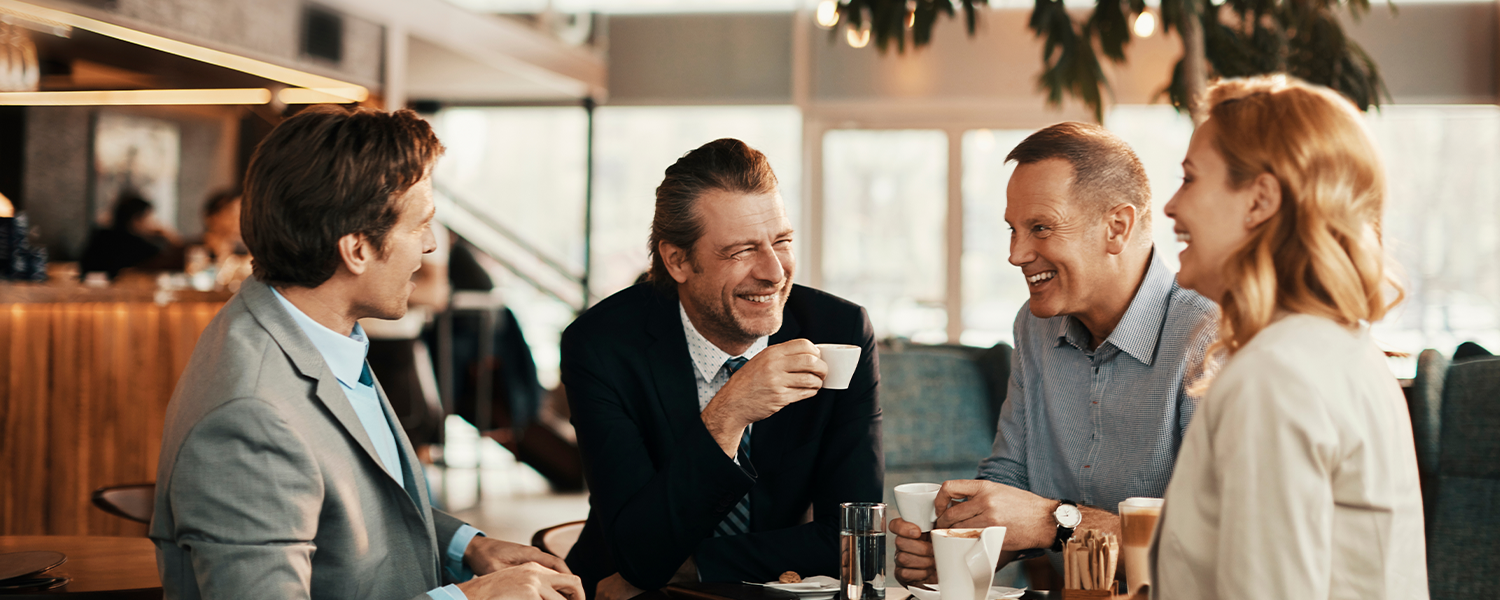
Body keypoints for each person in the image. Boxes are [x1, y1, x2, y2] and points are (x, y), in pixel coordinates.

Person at [149, 106, 584, 600]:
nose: (431, 246)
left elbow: (352, 508)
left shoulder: (312, 333)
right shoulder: (252, 415)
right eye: (420, 225)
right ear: (356, 248)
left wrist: (466, 547)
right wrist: (472, 597)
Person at [890, 122, 1218, 585]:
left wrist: (1054, 521)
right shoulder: (1034, 326)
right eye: (1013, 229)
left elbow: (1213, 545)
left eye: (1040, 227)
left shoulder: (1209, 335)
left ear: (1117, 228)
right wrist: (959, 541)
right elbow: (1011, 480)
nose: (1016, 254)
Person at [560, 138, 883, 599]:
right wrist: (728, 413)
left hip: (767, 591)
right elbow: (639, 552)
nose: (774, 271)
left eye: (782, 242)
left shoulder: (841, 329)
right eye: (741, 251)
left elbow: (854, 539)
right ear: (677, 260)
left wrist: (691, 566)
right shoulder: (601, 345)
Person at [1150, 75, 1426, 599]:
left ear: (1259, 200)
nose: (1170, 206)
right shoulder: (1343, 353)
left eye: (1188, 179)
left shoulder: (1274, 376)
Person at [79, 191, 183, 279]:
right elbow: (177, 261)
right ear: (136, 220)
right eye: (149, 218)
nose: (153, 223)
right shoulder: (135, 245)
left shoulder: (101, 236)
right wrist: (168, 235)